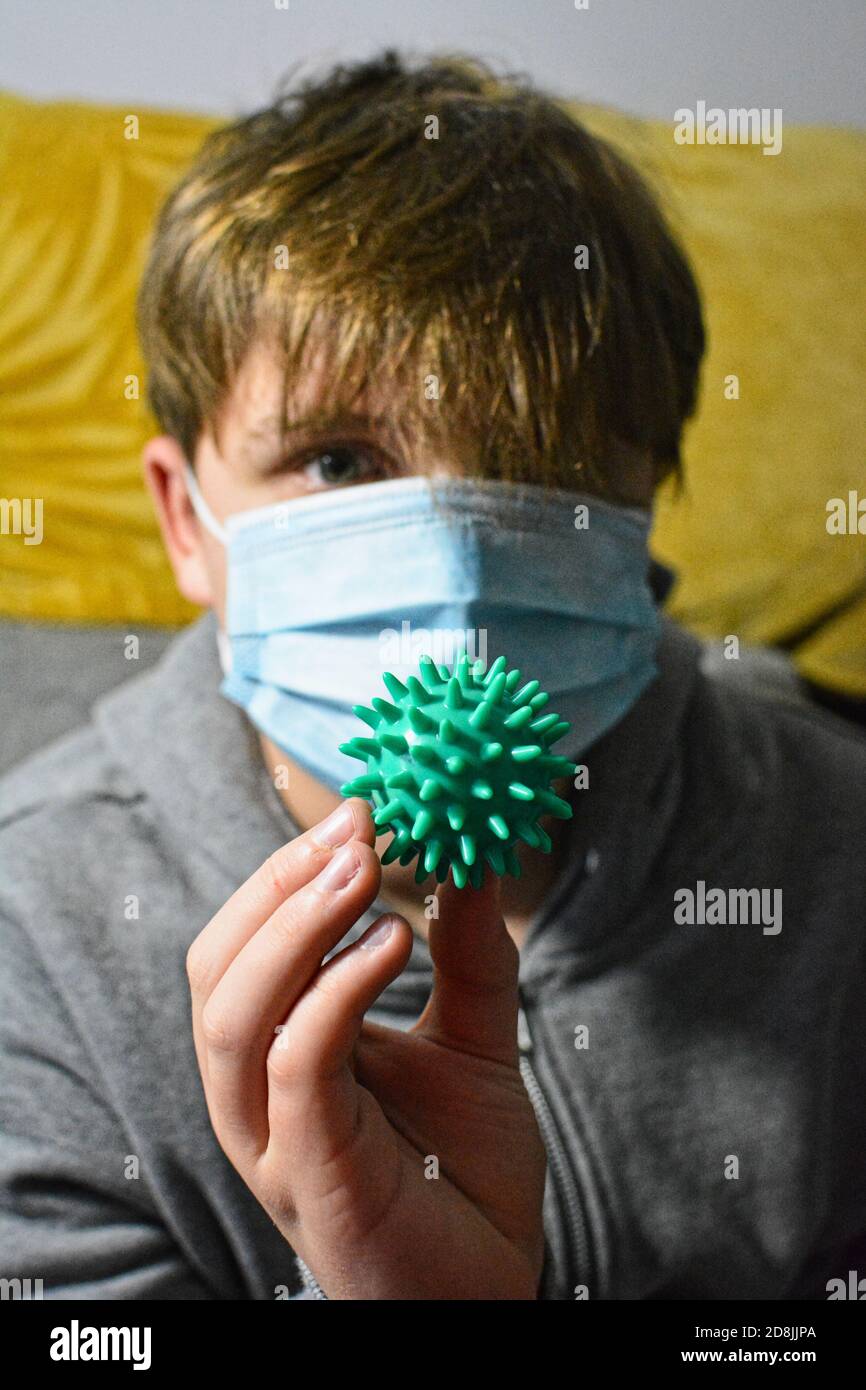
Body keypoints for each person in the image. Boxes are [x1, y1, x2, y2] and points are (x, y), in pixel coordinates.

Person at [1, 51, 864, 1301]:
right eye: (339, 462)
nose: (455, 575)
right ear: (184, 520)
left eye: (546, 467)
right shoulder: (34, 957)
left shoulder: (831, 841)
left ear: (646, 516)